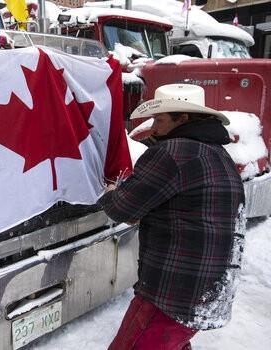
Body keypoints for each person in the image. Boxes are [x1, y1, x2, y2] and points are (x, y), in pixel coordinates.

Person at [100, 84, 245, 350]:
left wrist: (110, 191)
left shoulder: (173, 152)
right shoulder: (219, 155)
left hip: (172, 294)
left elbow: (122, 208)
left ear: (184, 118)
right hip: (207, 291)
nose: (153, 128)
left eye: (159, 119)